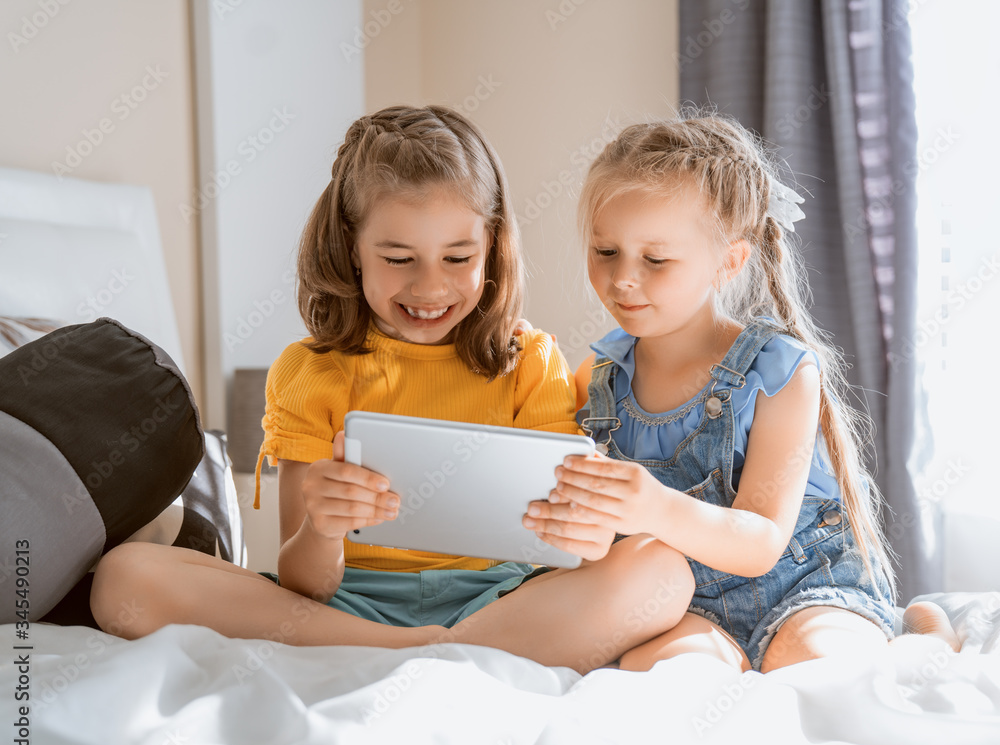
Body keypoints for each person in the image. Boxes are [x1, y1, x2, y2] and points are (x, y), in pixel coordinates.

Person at [89, 105, 693, 674]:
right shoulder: (311, 370)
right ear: (352, 250)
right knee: (124, 578)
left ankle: (438, 644)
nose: (431, 287)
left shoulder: (530, 360)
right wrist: (323, 530)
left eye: (458, 257)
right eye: (399, 257)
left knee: (665, 573)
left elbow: (574, 545)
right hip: (345, 608)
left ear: (491, 247)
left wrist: (584, 536)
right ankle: (423, 649)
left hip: (502, 600)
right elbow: (304, 583)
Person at [520, 112, 959, 673]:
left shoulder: (779, 370)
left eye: (655, 259)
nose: (624, 278)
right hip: (680, 602)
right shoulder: (596, 379)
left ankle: (923, 634)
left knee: (815, 663)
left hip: (803, 587)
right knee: (663, 677)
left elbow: (760, 540)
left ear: (728, 262)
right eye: (606, 252)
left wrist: (654, 505)